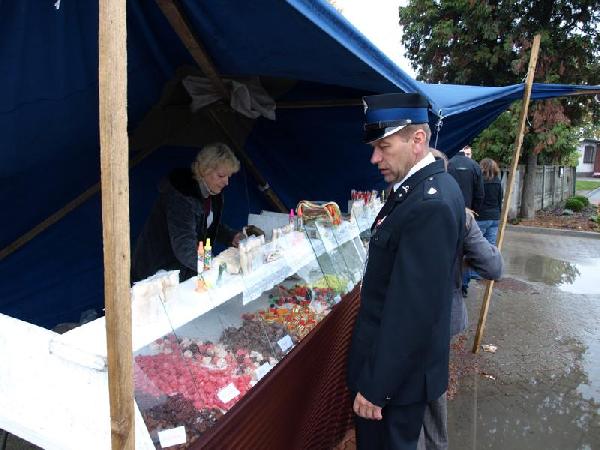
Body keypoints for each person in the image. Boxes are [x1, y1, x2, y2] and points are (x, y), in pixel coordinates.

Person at [347, 93, 465, 450]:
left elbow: (412, 313)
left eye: (383, 146)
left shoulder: (429, 203)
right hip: (398, 374)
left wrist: (377, 387)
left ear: (418, 140)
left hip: (394, 383)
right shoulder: (418, 190)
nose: (375, 158)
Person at [418, 149, 504, 450]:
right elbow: (493, 266)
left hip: (416, 318)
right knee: (430, 392)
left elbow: (492, 268)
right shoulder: (460, 215)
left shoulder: (402, 207)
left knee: (420, 392)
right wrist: (464, 259)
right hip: (438, 316)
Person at [132, 143, 245, 282]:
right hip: (158, 271)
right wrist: (210, 266)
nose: (226, 182)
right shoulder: (181, 195)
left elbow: (206, 224)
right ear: (205, 170)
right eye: (221, 175)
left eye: (229, 176)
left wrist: (231, 236)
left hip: (186, 266)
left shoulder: (212, 193)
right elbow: (184, 244)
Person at [448, 146, 484, 297]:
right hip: (467, 215)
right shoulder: (474, 166)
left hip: (449, 213)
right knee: (464, 251)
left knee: (450, 250)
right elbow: (480, 193)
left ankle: (450, 283)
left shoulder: (448, 163)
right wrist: (475, 211)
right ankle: (463, 284)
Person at [476, 158, 503, 246]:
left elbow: (477, 199)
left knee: (477, 245)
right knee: (491, 245)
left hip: (481, 216)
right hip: (495, 217)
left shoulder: (479, 181)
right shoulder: (498, 181)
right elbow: (500, 199)